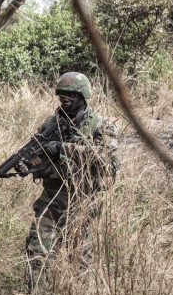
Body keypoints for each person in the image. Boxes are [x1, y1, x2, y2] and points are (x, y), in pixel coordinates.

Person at [14, 72, 119, 283]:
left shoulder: (100, 124)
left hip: (81, 201)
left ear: (83, 95)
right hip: (51, 199)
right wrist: (28, 166)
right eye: (62, 93)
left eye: (71, 94)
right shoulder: (51, 123)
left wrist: (63, 148)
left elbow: (108, 163)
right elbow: (40, 155)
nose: (65, 98)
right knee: (37, 253)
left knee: (79, 261)